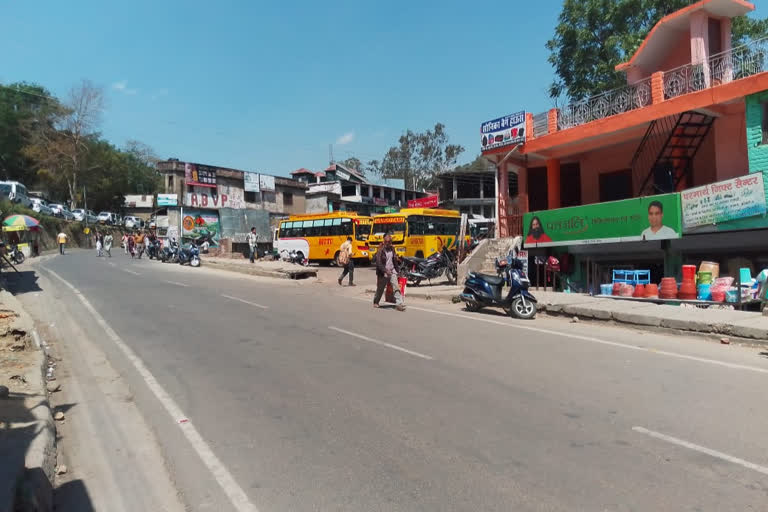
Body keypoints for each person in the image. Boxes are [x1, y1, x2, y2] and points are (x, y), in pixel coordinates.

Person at [373, 234, 405, 311]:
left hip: (392, 271)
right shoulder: (380, 250)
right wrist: (385, 270)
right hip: (383, 273)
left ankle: (399, 303)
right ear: (384, 241)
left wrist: (398, 271)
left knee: (396, 287)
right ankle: (376, 301)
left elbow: (394, 261)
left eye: (389, 241)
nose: (388, 243)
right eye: (386, 241)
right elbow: (379, 263)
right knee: (380, 289)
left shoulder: (392, 249)